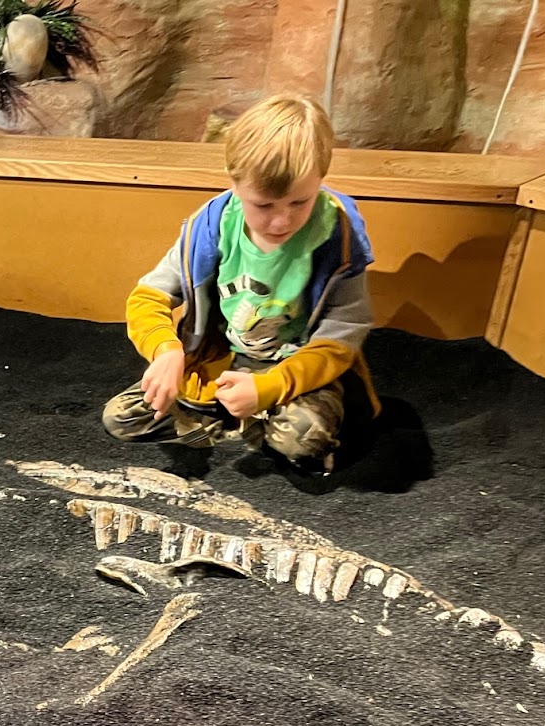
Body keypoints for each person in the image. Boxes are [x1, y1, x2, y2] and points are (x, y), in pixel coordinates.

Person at [101, 95, 377, 475]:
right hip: (224, 359)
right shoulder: (210, 227)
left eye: (300, 202)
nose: (282, 221)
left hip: (295, 368)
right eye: (264, 206)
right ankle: (238, 425)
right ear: (234, 182)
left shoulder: (340, 237)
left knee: (303, 439)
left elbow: (340, 339)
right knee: (122, 418)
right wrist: (165, 351)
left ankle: (246, 422)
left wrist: (270, 388)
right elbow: (148, 296)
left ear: (321, 180)